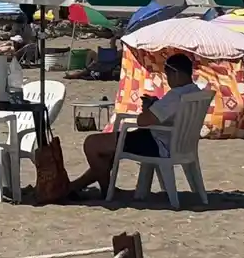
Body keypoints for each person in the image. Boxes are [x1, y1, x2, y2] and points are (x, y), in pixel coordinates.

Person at [67, 53, 200, 197]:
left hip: (157, 143)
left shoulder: (175, 95)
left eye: (167, 75)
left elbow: (143, 121)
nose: (167, 79)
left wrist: (148, 108)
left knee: (92, 143)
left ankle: (107, 190)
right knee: (105, 152)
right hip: (176, 143)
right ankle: (74, 187)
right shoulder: (196, 92)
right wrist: (155, 106)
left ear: (176, 74)